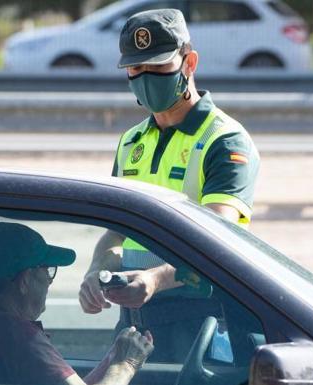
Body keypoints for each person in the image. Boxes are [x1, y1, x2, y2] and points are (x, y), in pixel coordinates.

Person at [79, 9, 260, 360]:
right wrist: (96, 271)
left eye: (159, 67)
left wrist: (155, 279)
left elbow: (217, 243)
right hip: (134, 325)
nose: (146, 78)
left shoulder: (224, 141)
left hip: (202, 329)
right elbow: (115, 233)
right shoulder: (132, 141)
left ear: (189, 62)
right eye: (136, 69)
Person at [0, 222, 154, 385]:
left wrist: (113, 358)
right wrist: (126, 364)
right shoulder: (20, 339)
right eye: (47, 270)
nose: (50, 281)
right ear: (25, 281)